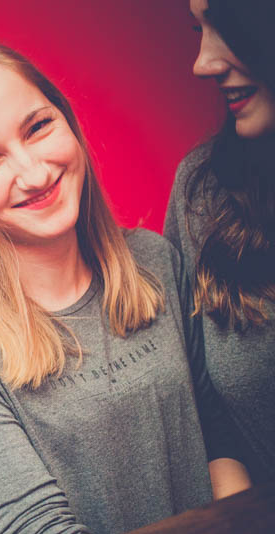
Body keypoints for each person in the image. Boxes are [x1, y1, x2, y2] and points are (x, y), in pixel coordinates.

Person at [0, 36, 250, 534]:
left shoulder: (156, 261)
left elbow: (218, 437)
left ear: (67, 119)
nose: (35, 173)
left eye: (38, 127)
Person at [164, 0, 275, 484]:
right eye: (198, 30)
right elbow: (204, 403)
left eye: (226, 24)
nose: (202, 63)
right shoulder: (203, 191)